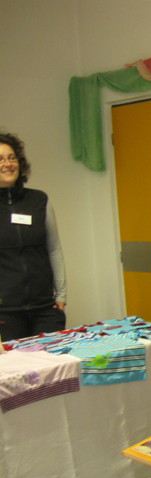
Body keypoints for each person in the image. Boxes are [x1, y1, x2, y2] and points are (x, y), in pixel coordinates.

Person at [0, 132, 67, 342]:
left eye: (12, 158)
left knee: (52, 362)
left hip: (45, 309)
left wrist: (61, 295)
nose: (7, 164)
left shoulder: (38, 199)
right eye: (0, 159)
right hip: (5, 313)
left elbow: (54, 249)